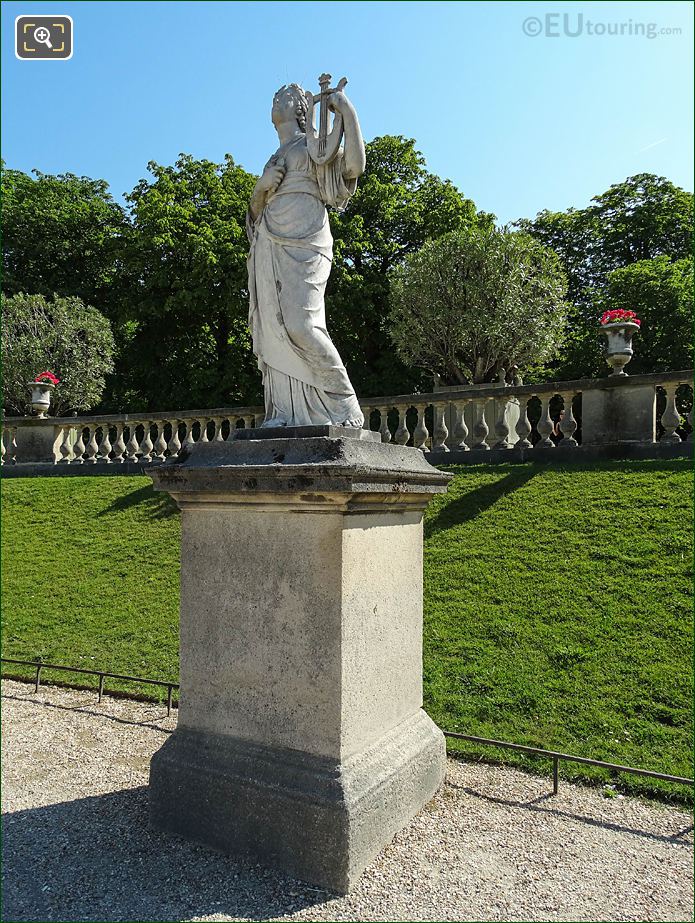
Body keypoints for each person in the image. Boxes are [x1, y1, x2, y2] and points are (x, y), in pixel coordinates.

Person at [246, 82, 366, 427]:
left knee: (302, 324)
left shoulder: (313, 146)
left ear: (301, 107)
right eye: (274, 96)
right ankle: (286, 413)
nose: (276, 100)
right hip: (270, 239)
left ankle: (345, 405)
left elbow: (353, 168)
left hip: (307, 235)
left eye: (284, 96)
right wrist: (260, 188)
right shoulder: (273, 158)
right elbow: (254, 216)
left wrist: (347, 113)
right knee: (274, 327)